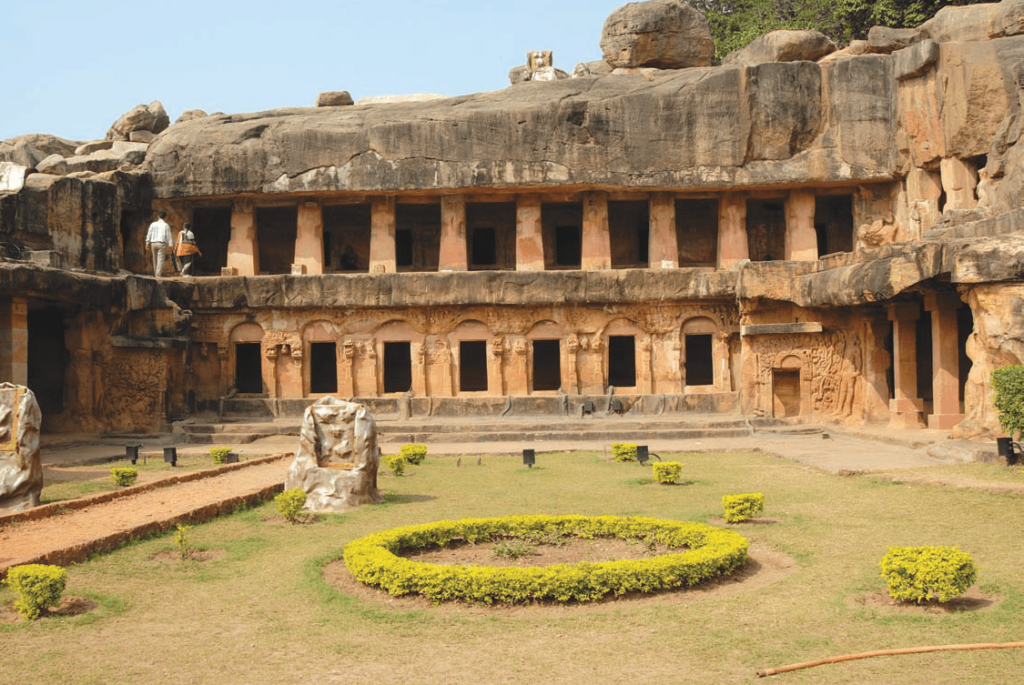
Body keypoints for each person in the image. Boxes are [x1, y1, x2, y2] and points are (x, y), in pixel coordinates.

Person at [145, 211, 174, 277]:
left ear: (158, 216)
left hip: (153, 243)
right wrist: (170, 245)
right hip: (161, 243)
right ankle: (158, 275)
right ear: (165, 217)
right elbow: (168, 236)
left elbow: (149, 233)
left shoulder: (153, 224)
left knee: (154, 259)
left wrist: (147, 243)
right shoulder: (166, 225)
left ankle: (156, 273)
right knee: (160, 259)